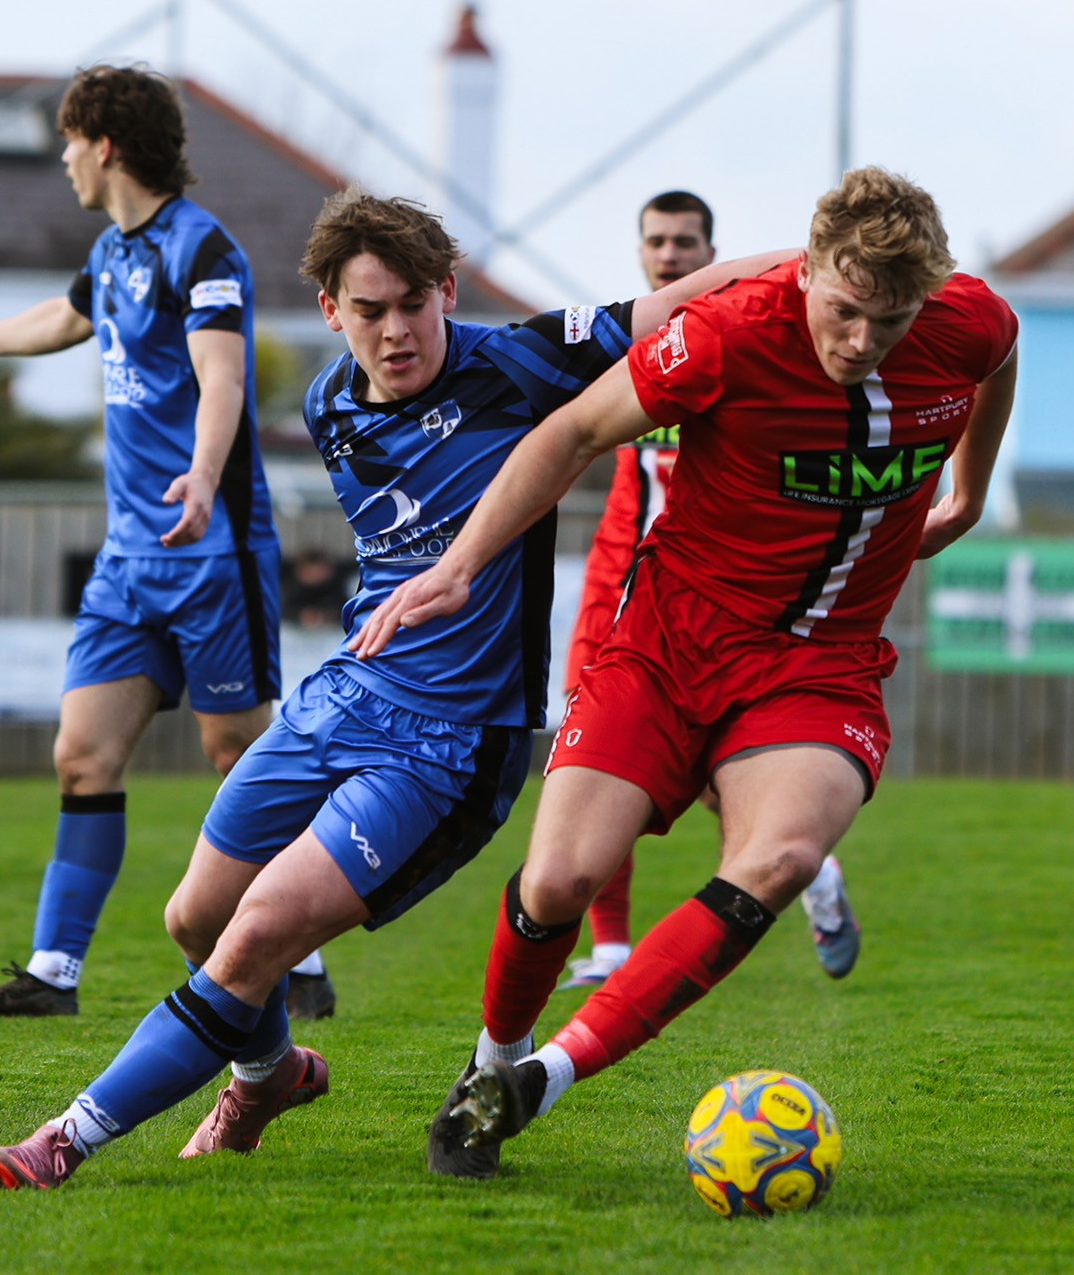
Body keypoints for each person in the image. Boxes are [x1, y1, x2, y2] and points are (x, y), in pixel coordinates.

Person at [0, 189, 789, 1190]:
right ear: (330, 312)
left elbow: (680, 299)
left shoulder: (518, 361)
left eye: (413, 303)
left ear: (447, 291)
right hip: (344, 697)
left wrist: (823, 260)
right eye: (368, 310)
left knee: (259, 932)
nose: (395, 331)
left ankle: (63, 1138)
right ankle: (268, 1075)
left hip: (448, 739)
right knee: (195, 917)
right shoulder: (328, 403)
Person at [353, 166, 1018, 1178]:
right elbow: (570, 431)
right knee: (560, 877)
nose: (857, 342)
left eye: (886, 324)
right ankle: (488, 1060)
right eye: (841, 311)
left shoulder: (963, 321)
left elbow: (1000, 349)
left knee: (780, 856)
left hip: (821, 666)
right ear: (806, 273)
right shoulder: (726, 331)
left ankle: (541, 1079)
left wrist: (965, 492)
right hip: (669, 644)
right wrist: (455, 568)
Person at [0, 65, 336, 1019]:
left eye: (67, 140)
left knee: (239, 754)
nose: (60, 158)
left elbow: (222, 381)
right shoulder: (109, 253)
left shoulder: (203, 248)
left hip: (211, 548)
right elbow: (64, 317)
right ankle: (53, 973)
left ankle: (297, 950)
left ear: (104, 144)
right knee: (82, 755)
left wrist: (203, 475)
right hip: (127, 562)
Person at [560, 190, 862, 989]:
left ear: (711, 250)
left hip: (704, 594)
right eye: (656, 240)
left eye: (684, 241)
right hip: (615, 575)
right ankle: (613, 946)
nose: (669, 254)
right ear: (640, 252)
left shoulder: (738, 337)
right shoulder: (629, 339)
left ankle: (812, 872)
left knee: (708, 769)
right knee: (592, 754)